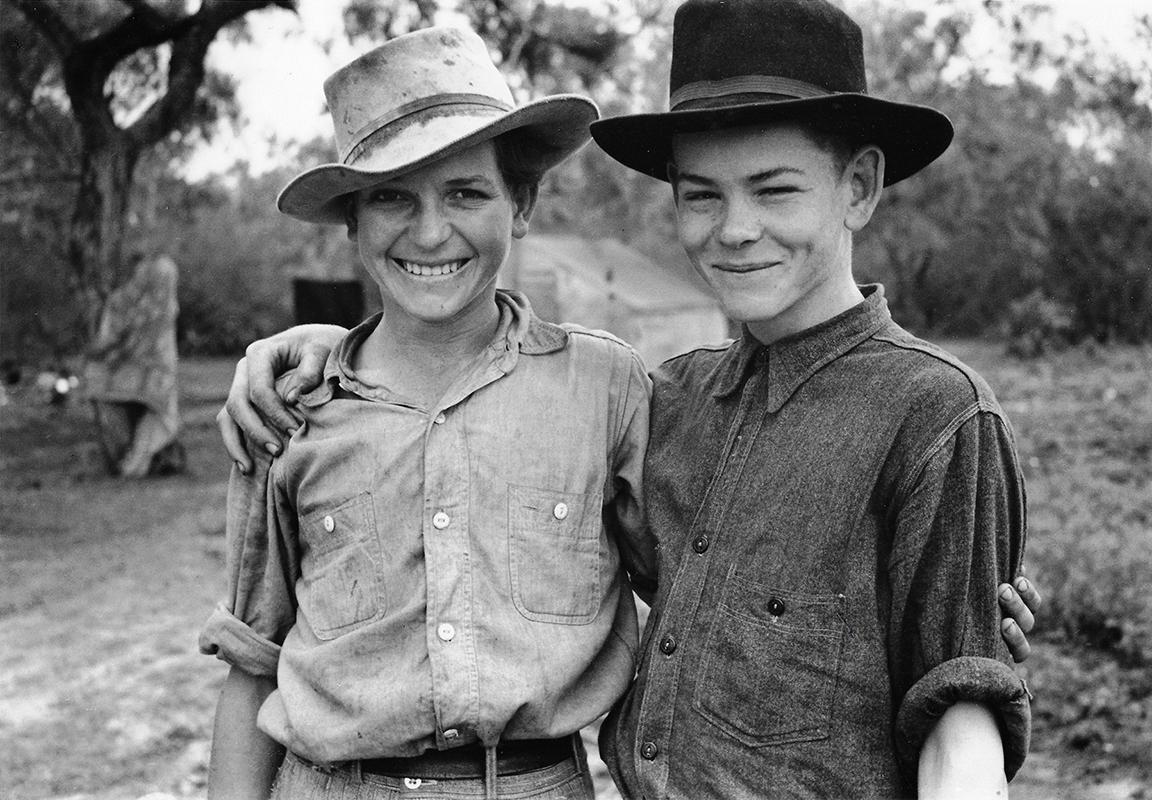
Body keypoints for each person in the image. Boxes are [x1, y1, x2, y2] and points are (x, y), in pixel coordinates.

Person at [217, 2, 1044, 797]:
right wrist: (312, 346)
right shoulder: (672, 402)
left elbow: (957, 706)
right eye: (702, 195)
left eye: (776, 189)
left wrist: (969, 623)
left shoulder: (927, 414)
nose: (736, 228)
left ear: (859, 187)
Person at [198, 26, 656, 799]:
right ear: (352, 219)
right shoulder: (291, 407)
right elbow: (253, 665)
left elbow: (689, 603)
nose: (431, 231)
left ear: (521, 203)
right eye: (392, 197)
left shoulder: (606, 387)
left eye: (466, 192)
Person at [85, 252, 183, 477]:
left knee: (154, 406)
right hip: (127, 369)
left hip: (154, 373)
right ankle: (127, 460)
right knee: (103, 391)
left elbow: (152, 338)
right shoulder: (123, 300)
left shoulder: (163, 301)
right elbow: (111, 339)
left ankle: (138, 462)